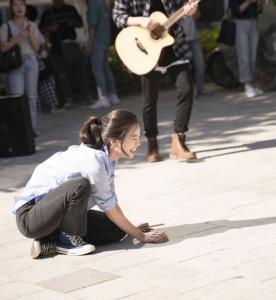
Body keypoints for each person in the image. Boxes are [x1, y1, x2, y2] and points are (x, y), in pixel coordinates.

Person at [13, 109, 169, 259]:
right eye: (134, 138)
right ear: (115, 141)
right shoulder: (94, 161)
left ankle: (50, 241)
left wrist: (132, 229)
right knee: (80, 185)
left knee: (116, 229)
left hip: (56, 216)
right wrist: (141, 237)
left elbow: (110, 202)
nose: (138, 143)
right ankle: (68, 241)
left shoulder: (108, 157)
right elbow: (109, 208)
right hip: (31, 218)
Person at [113, 0, 198, 162]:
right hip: (146, 50)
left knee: (186, 88)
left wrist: (189, 10)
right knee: (149, 100)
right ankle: (152, 143)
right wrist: (142, 21)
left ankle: (178, 140)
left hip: (174, 47)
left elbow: (182, 7)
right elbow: (118, 17)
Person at [40, 0, 91, 108]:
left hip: (71, 45)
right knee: (62, 75)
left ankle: (87, 97)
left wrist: (72, 23)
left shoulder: (70, 9)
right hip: (57, 48)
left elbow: (80, 23)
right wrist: (50, 29)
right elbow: (41, 28)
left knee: (80, 71)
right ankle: (68, 99)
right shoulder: (47, 13)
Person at [0, 0, 40, 136]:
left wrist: (29, 33)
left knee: (31, 97)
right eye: (15, 5)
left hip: (31, 61)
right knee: (17, 97)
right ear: (11, 8)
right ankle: (20, 129)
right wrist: (19, 36)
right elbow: (3, 47)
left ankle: (32, 129)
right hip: (15, 64)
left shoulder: (32, 25)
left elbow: (36, 48)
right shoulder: (7, 26)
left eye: (22, 5)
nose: (19, 8)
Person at [86, 0, 121, 109]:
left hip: (97, 41)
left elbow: (93, 26)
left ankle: (103, 97)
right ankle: (113, 94)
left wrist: (89, 44)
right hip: (105, 39)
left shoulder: (93, 3)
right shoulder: (102, 2)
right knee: (105, 68)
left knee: (97, 69)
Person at [229, 0, 265, 98]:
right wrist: (249, 1)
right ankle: (247, 85)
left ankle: (252, 84)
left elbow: (258, 11)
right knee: (244, 57)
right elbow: (235, 11)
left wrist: (260, 4)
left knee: (253, 57)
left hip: (253, 23)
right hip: (241, 24)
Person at [180, 15, 210, 99]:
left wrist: (193, 10)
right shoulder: (175, 2)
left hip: (194, 37)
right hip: (181, 39)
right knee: (185, 67)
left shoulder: (191, 2)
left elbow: (197, 15)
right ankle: (188, 92)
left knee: (200, 65)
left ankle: (201, 90)